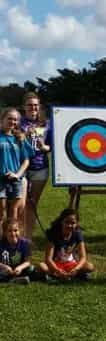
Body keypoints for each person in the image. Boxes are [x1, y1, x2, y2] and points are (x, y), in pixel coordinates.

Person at [20, 92, 52, 241]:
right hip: (22, 168)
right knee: (20, 204)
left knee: (32, 204)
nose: (33, 107)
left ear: (39, 107)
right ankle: (15, 236)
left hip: (41, 168)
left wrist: (44, 147)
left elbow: (50, 146)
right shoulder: (18, 123)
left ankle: (27, 238)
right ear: (24, 107)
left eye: (35, 105)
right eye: (30, 105)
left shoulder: (47, 124)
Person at [0, 107, 31, 238]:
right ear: (2, 119)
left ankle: (13, 243)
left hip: (16, 180)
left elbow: (26, 160)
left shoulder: (20, 138)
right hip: (0, 180)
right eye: (10, 118)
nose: (13, 121)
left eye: (15, 119)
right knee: (1, 213)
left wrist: (17, 175)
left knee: (14, 213)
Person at [39, 208, 95, 281]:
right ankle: (59, 275)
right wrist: (57, 270)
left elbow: (83, 257)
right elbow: (48, 259)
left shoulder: (77, 234)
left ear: (77, 223)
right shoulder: (54, 235)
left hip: (71, 265)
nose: (69, 225)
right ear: (61, 222)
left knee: (90, 266)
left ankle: (61, 276)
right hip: (56, 264)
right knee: (42, 266)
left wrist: (76, 269)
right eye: (67, 222)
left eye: (73, 223)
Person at [0, 219, 35, 284]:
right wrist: (4, 267)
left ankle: (16, 279)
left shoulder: (25, 243)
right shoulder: (1, 244)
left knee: (31, 269)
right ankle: (12, 280)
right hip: (4, 270)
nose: (13, 233)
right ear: (5, 232)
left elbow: (28, 262)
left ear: (20, 231)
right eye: (10, 231)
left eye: (15, 230)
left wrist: (20, 268)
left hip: (19, 270)